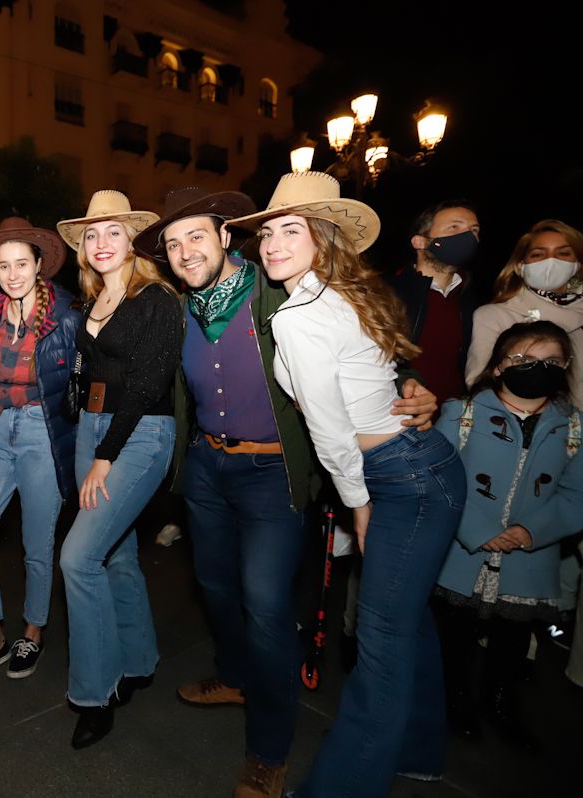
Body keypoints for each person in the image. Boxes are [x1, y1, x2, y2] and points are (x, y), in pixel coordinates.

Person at [131, 187, 438, 798]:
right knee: (216, 588)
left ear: (226, 237)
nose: (185, 251)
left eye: (196, 235)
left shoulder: (278, 286)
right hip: (207, 471)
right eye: (172, 243)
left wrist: (411, 384)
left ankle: (268, 750)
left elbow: (357, 336)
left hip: (273, 474)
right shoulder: (176, 307)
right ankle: (237, 675)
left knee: (266, 605)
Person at [228, 172, 467, 797]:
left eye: (291, 230)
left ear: (323, 238)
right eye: (269, 232)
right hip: (421, 464)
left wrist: (357, 503)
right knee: (409, 623)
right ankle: (418, 752)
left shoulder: (300, 316)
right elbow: (379, 378)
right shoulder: (341, 295)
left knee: (382, 641)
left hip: (400, 477)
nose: (274, 244)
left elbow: (331, 430)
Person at [53, 191, 180, 749]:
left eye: (112, 232)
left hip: (140, 431)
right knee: (117, 554)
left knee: (78, 558)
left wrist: (106, 456)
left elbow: (151, 384)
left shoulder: (156, 298)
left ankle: (94, 692)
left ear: (133, 239)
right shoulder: (93, 299)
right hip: (92, 429)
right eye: (90, 235)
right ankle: (137, 661)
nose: (100, 243)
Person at [434, 320, 582, 752]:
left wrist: (530, 532)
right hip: (463, 553)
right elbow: (444, 480)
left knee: (512, 642)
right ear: (498, 367)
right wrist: (479, 530)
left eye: (551, 361)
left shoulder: (573, 428)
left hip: (528, 558)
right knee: (455, 634)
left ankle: (499, 703)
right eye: (524, 359)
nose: (538, 368)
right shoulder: (459, 414)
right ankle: (455, 700)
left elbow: (576, 495)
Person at [0, 218, 82, 685]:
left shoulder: (66, 315)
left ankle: (32, 630)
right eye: (4, 265)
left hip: (41, 433)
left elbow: (84, 380)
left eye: (21, 264)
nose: (12, 274)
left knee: (37, 545)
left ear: (38, 266)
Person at [467, 220, 583, 409]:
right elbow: (480, 384)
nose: (550, 261)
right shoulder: (495, 315)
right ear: (520, 266)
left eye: (563, 253)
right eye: (538, 254)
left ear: (577, 264)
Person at [388, 200, 483, 406]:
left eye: (474, 230)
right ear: (420, 242)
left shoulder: (475, 301)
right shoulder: (387, 295)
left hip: (456, 419)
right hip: (403, 416)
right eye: (454, 227)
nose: (468, 236)